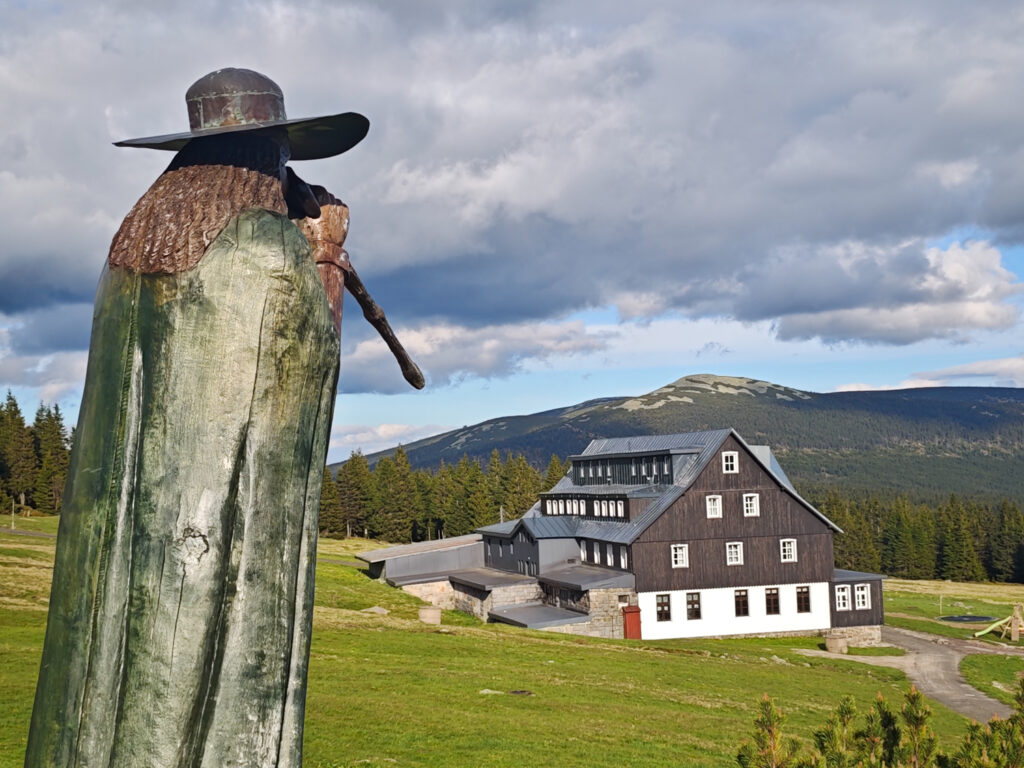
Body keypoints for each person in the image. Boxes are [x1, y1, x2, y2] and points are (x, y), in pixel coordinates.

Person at [26, 68, 366, 768]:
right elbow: (304, 366)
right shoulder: (261, 247)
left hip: (117, 530)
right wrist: (326, 257)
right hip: (209, 533)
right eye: (280, 155)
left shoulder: (130, 251)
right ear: (267, 157)